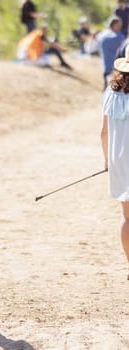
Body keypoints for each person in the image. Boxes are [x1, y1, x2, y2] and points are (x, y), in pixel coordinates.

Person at [100, 44, 129, 280]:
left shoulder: (111, 91)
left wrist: (107, 161)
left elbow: (103, 131)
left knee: (127, 216)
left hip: (119, 159)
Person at [97, 16, 125, 89]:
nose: (120, 27)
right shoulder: (119, 37)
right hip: (116, 68)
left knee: (106, 87)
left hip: (105, 66)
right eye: (118, 25)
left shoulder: (101, 35)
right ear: (114, 25)